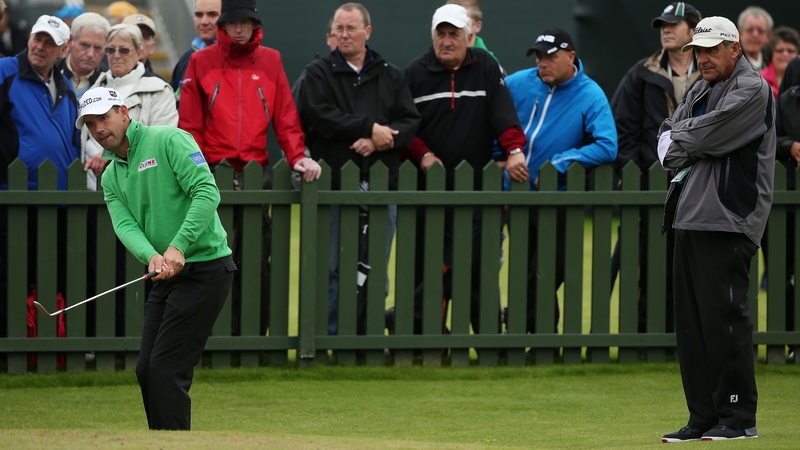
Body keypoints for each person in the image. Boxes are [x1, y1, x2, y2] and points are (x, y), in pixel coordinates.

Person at [75, 86, 236, 430]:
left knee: (167, 368)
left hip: (205, 267)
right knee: (146, 368)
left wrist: (178, 246)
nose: (99, 128)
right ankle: (162, 439)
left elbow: (206, 192)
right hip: (163, 274)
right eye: (90, 124)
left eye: (104, 117)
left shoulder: (168, 139)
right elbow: (125, 225)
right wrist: (151, 256)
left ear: (123, 111)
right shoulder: (112, 174)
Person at [658, 16, 774, 442]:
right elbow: (665, 140)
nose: (703, 59)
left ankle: (738, 418)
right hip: (689, 215)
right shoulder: (702, 88)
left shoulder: (752, 89)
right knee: (691, 326)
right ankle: (702, 417)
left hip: (728, 219)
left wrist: (681, 138)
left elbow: (695, 138)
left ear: (734, 49)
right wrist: (681, 138)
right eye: (698, 52)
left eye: (711, 50)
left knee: (724, 320)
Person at [178, 0, 322, 337]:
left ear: (254, 24)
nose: (239, 28)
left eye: (245, 22)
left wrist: (297, 155)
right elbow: (190, 124)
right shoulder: (201, 61)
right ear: (223, 26)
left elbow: (286, 116)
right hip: (213, 174)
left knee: (256, 263)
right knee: (209, 264)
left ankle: (255, 339)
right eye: (233, 22)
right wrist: (198, 170)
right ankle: (210, 340)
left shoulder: (271, 60)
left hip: (257, 174)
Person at [402, 4, 526, 336]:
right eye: (440, 34)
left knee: (478, 268)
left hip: (477, 188)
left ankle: (487, 340)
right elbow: (403, 128)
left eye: (454, 34)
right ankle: (428, 340)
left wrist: (514, 150)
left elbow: (503, 113)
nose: (446, 41)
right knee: (428, 267)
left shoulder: (486, 65)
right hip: (429, 189)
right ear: (432, 36)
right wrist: (424, 154)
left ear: (469, 36)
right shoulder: (414, 73)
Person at [301, 3, 420, 336]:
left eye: (351, 28)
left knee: (376, 269)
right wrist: (369, 128)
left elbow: (409, 123)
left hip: (383, 187)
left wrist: (380, 140)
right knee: (333, 268)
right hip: (335, 187)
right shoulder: (318, 73)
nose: (343, 35)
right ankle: (331, 337)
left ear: (367, 32)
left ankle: (367, 339)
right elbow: (321, 118)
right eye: (338, 28)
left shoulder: (391, 74)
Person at [503, 28, 616, 337]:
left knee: (547, 271)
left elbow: (608, 144)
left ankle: (521, 323)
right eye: (539, 57)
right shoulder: (517, 83)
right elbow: (494, 119)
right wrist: (500, 156)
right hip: (516, 195)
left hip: (559, 198)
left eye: (550, 57)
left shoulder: (590, 93)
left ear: (571, 57)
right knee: (527, 270)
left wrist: (560, 163)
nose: (542, 63)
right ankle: (543, 339)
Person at [609, 2, 701, 336]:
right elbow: (624, 129)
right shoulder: (640, 73)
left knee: (691, 265)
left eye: (674, 24)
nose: (665, 29)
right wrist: (638, 173)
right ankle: (646, 338)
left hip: (700, 187)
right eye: (662, 24)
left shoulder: (711, 72)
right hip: (651, 187)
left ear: (693, 29)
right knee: (646, 264)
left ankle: (687, 338)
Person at [0, 15, 79, 339]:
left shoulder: (67, 85)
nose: (39, 47)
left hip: (58, 200)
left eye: (49, 43)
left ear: (64, 49)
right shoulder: (5, 70)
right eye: (37, 38)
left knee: (48, 278)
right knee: (10, 276)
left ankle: (40, 345)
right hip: (12, 195)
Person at [81, 23, 177, 191]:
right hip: (92, 189)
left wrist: (108, 154)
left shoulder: (159, 90)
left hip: (141, 189)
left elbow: (161, 143)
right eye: (110, 50)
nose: (116, 55)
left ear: (139, 53)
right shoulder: (93, 89)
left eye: (124, 50)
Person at [776, 71, 800, 359]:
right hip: (790, 198)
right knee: (790, 273)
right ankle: (794, 344)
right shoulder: (786, 101)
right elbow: (769, 138)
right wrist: (789, 145)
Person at [170, 0, 221, 99]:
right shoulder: (187, 59)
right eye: (199, 15)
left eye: (212, 14)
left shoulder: (237, 58)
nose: (204, 21)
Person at [55, 12, 111, 100]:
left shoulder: (110, 82)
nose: (90, 54)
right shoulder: (50, 73)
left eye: (98, 48)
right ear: (70, 41)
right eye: (84, 45)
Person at [445, 0, 503, 70]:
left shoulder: (490, 64)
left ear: (477, 26)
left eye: (464, 21)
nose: (455, 26)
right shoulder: (433, 58)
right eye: (450, 22)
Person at [759, 27, 800, 100]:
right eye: (780, 51)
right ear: (771, 54)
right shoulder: (759, 79)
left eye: (790, 51)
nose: (785, 54)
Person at [737, 6, 773, 71]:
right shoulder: (733, 64)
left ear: (768, 36)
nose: (755, 35)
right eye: (750, 30)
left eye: (760, 30)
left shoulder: (772, 62)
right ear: (740, 33)